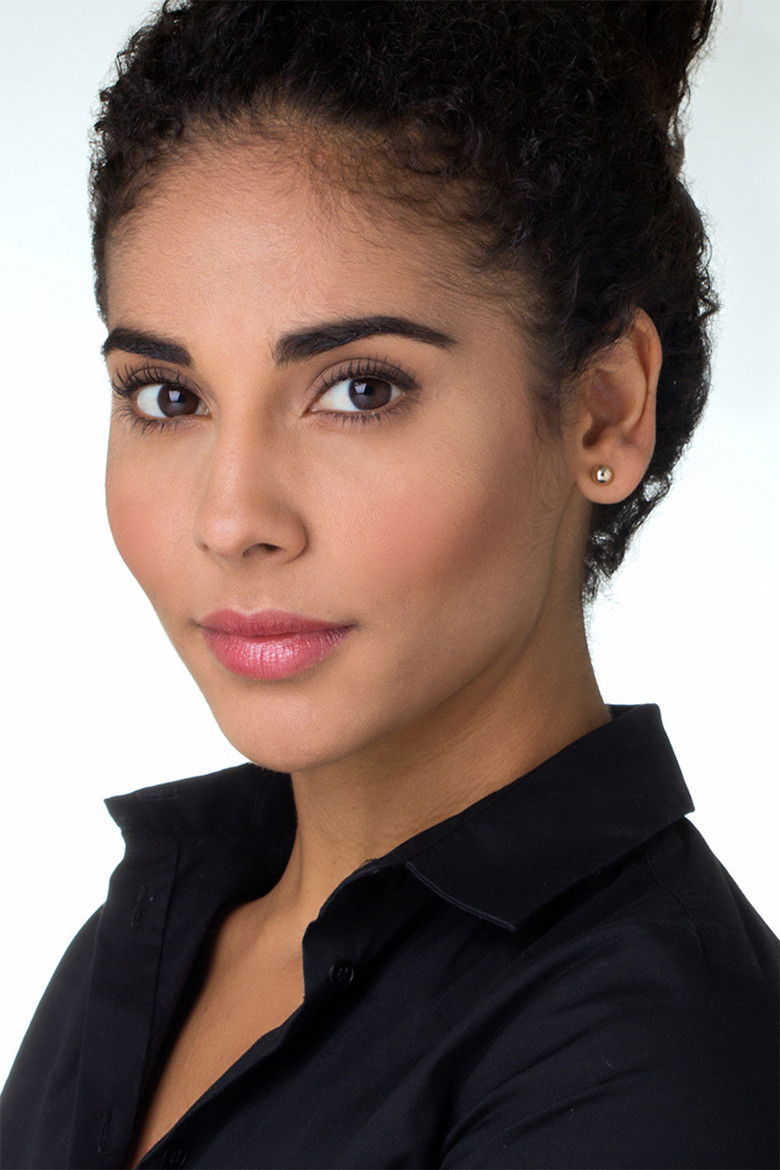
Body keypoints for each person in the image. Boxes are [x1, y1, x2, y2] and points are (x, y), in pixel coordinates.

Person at [1, 1, 777, 1167]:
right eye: (169, 396)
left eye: (359, 390)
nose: (232, 519)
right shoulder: (158, 925)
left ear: (604, 409)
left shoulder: (652, 1058)